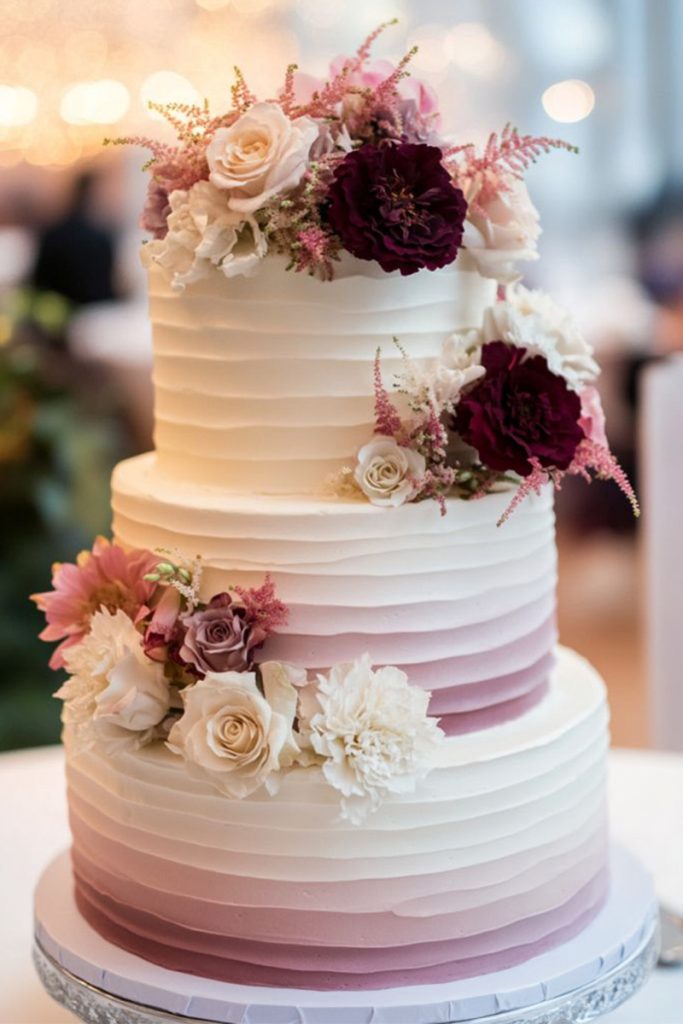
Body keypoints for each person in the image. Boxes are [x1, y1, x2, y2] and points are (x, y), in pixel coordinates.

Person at [31, 171, 118, 307]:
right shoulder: (99, 238)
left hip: (60, 312)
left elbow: (39, 284)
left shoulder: (53, 234)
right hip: (83, 313)